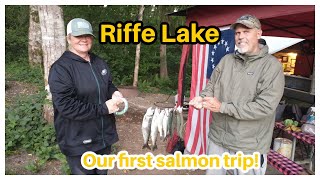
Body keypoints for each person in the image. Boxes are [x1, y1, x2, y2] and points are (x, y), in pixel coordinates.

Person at [189, 14, 284, 175]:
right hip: (218, 139)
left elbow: (264, 107)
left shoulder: (271, 67)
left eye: (246, 31)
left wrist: (222, 107)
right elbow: (212, 85)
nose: (240, 37)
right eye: (237, 33)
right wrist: (202, 97)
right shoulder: (227, 60)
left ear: (258, 34)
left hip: (248, 145)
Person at [48, 18, 123, 175]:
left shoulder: (99, 62)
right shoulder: (61, 68)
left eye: (87, 35)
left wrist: (114, 92)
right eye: (78, 35)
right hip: (79, 141)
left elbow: (107, 84)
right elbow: (66, 107)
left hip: (103, 138)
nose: (84, 39)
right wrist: (104, 108)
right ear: (69, 38)